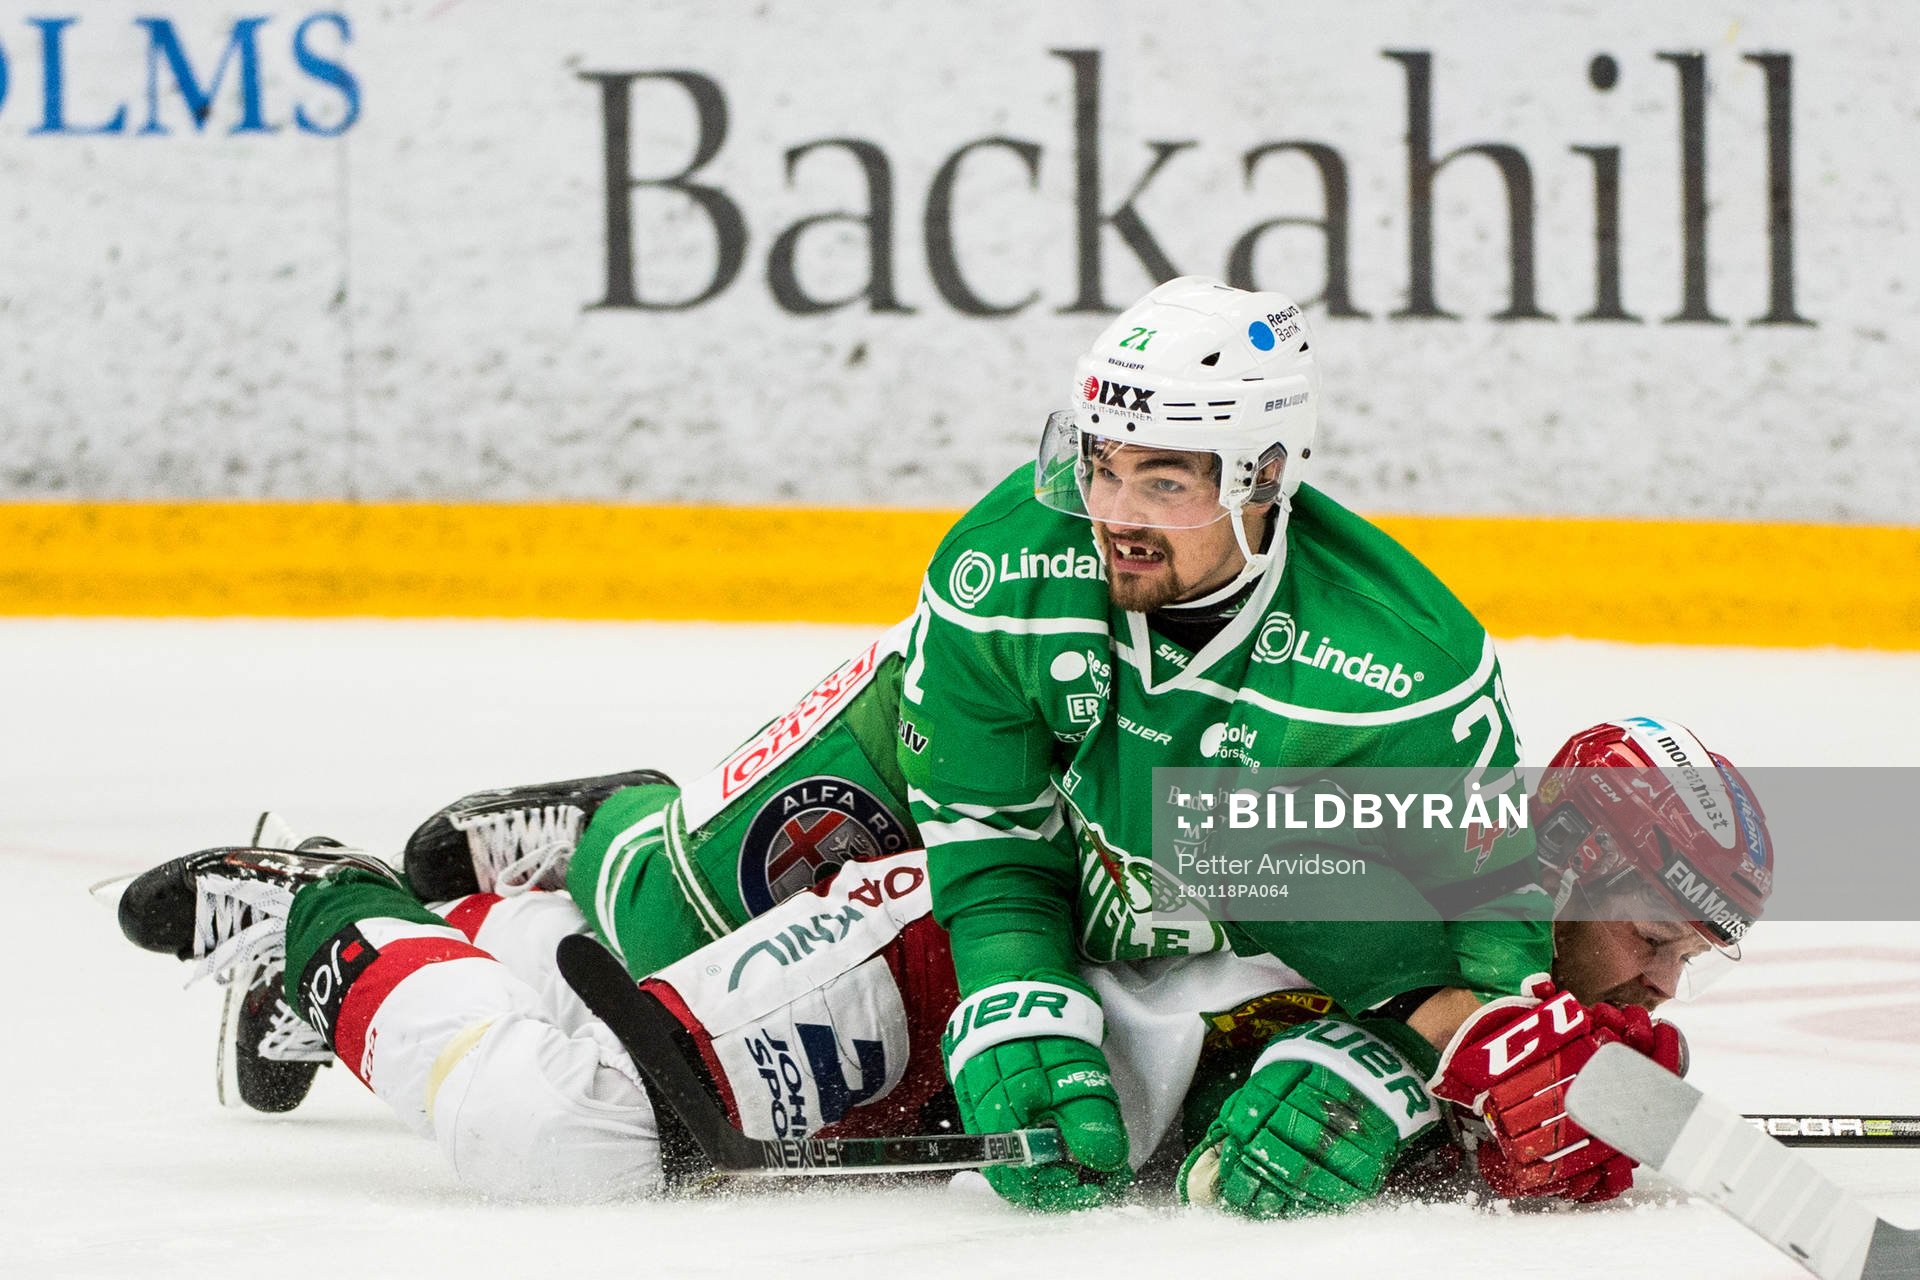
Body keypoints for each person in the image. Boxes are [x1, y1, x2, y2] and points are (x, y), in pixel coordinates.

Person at [114, 716, 1772, 1211]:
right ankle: (324, 912)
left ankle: (475, 936)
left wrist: (1571, 1092)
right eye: (1657, 939)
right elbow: (1124, 848)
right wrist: (1397, 1044)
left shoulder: (1535, 967)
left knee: (593, 1009)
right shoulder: (1376, 825)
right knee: (572, 1131)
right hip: (951, 964)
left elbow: (1539, 1087)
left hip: (1050, 1065)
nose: (1662, 988)